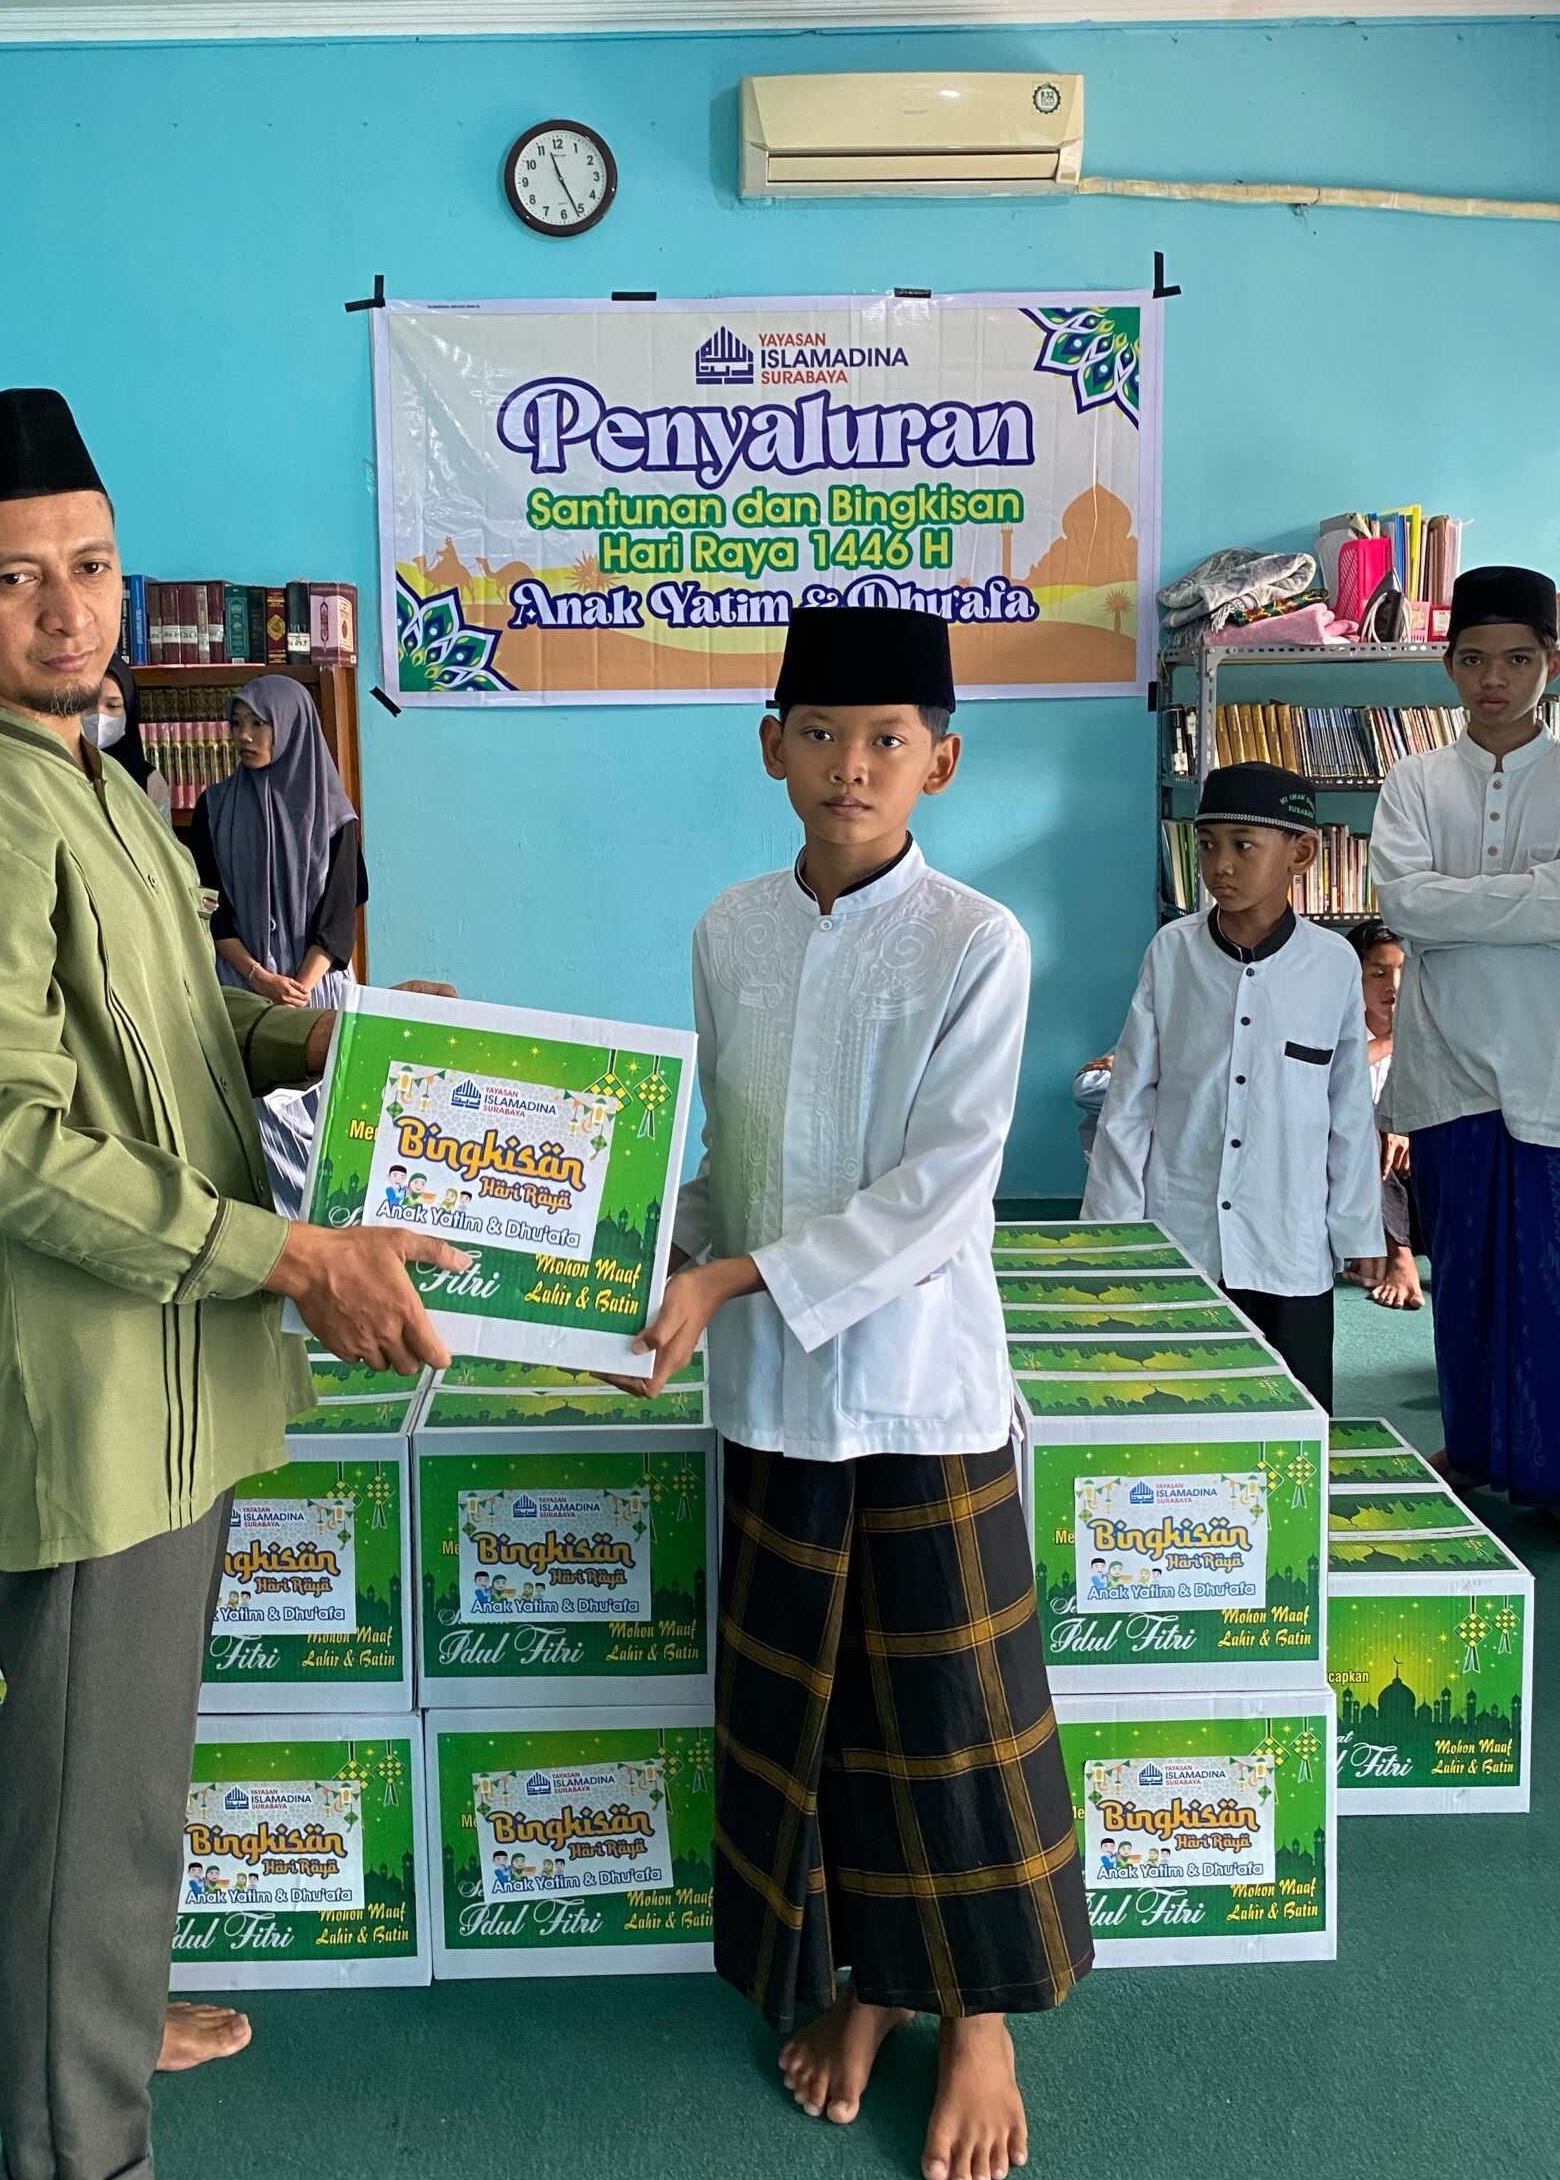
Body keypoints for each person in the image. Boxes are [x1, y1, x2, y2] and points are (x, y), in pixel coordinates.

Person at [0, 387, 468, 2180]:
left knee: (127, 1760)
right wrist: (296, 1255)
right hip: (93, 1373)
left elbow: (184, 1034)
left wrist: (340, 1043)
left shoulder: (93, 782)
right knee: (85, 1779)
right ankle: (75, 2131)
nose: (70, 609)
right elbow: (12, 1147)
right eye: (14, 577)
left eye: (94, 567)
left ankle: (93, 2010)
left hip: (179, 1353)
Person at [638, 605, 1091, 2180]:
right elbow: (731, 1161)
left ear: (940, 764)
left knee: (954, 1721)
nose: (852, 764)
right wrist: (631, 1245)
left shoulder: (978, 941)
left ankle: (981, 2022)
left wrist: (729, 1280)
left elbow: (939, 1197)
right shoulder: (729, 931)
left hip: (917, 1395)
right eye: (821, 733)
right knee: (818, 1717)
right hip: (771, 1396)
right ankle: (875, 1989)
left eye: (889, 738)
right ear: (771, 747)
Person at [1370, 563, 1560, 1558]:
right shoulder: (1414, 782)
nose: (1495, 678)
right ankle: (1472, 1451)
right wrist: (1554, 894)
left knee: (1557, 1281)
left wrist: (1475, 907)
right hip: (1449, 1064)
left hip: (1556, 1063)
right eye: (1474, 658)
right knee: (1467, 1274)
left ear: (1552, 664)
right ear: (1448, 665)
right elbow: (1406, 907)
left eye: (1518, 659)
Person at [1083, 762, 1385, 1408]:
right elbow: (1129, 1102)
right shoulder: (1172, 953)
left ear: (1301, 854)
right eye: (1208, 844)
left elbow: (1350, 1113)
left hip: (1289, 1240)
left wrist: (1359, 1231)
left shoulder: (1332, 964)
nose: (1220, 864)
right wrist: (1111, 1229)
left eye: (1244, 845)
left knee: (1295, 1419)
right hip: (1184, 1232)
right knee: (1177, 1408)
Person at [185, 674, 365, 1219]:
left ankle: (337, 1242)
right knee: (257, 1135)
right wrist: (260, 978)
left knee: (332, 1134)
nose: (244, 736)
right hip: (243, 993)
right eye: (237, 723)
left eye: (259, 724)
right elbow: (211, 910)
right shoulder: (214, 806)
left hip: (318, 991)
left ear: (292, 728)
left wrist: (299, 988)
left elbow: (338, 920)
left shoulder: (334, 816)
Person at [1344, 919, 1421, 1311]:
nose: (1394, 985)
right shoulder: (1343, 1031)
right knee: (1368, 1129)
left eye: (1403, 971)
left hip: (1418, 1172)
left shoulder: (1432, 1032)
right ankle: (1398, 1256)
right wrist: (1391, 1040)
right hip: (1369, 1175)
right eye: (1378, 974)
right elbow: (1338, 1073)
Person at [82, 652, 171, 813]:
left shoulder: (150, 782)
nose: (100, 715)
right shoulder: (56, 772)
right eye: (88, 704)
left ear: (128, 711)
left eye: (113, 706)